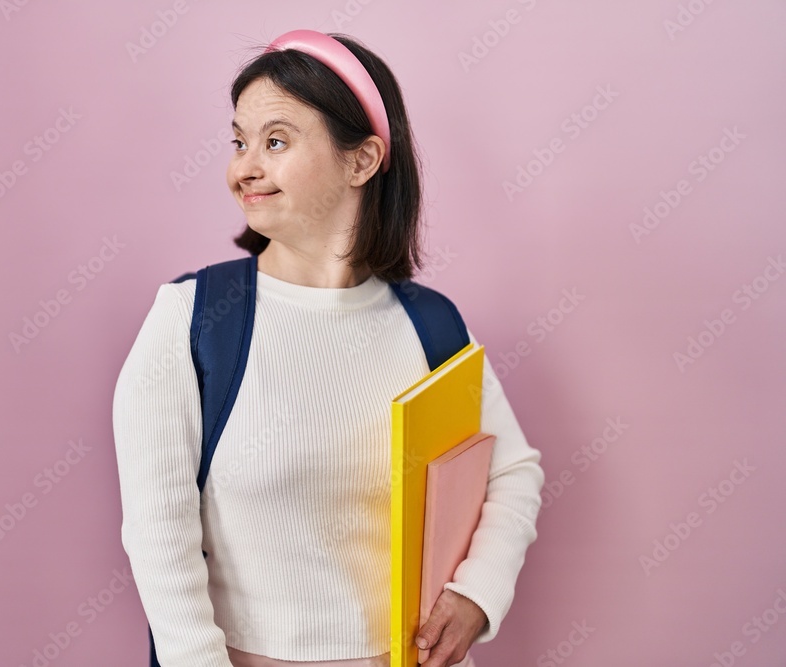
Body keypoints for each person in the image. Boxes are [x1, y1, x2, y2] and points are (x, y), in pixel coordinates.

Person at [113, 29, 545, 667]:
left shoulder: (431, 327)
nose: (244, 168)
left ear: (362, 161)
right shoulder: (191, 321)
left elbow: (513, 472)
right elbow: (158, 535)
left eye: (276, 141)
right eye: (239, 142)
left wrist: (476, 595)